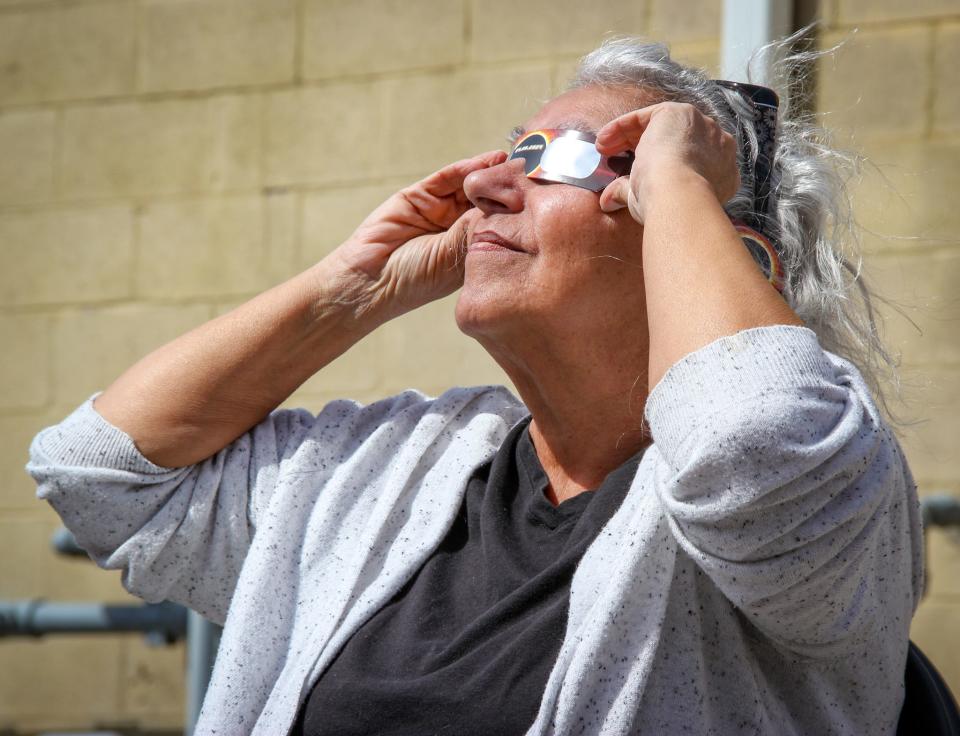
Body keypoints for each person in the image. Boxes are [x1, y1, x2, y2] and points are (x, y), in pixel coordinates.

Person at [26, 35, 923, 735]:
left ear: (717, 251)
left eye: (567, 161)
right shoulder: (395, 470)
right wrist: (353, 290)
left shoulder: (828, 494)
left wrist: (682, 181)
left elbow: (749, 440)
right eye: (516, 151)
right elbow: (101, 473)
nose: (491, 185)